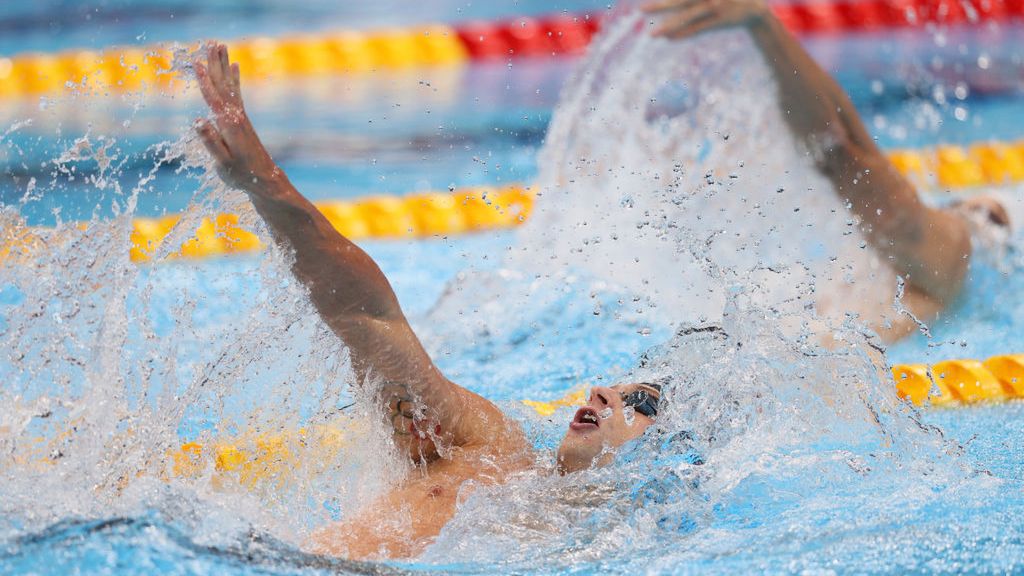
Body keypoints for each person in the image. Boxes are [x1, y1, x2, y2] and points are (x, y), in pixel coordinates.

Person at [192, 0, 1006, 560]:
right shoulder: (490, 448)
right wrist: (269, 185)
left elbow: (850, 159)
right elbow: (371, 321)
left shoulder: (942, 272)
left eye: (645, 401)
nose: (608, 393)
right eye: (627, 388)